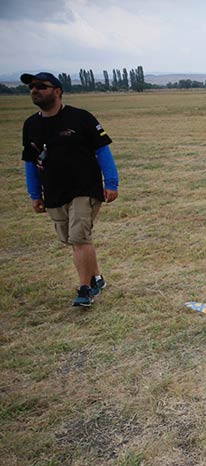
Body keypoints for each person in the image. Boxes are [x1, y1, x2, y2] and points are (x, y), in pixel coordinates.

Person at [20, 72, 119, 307]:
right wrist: (35, 194)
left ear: (57, 91)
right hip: (54, 192)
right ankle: (96, 279)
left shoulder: (81, 118)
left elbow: (103, 150)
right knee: (76, 240)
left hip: (85, 188)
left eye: (41, 86)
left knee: (78, 237)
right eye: (32, 87)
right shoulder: (31, 125)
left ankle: (85, 289)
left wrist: (111, 183)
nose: (35, 90)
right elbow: (30, 162)